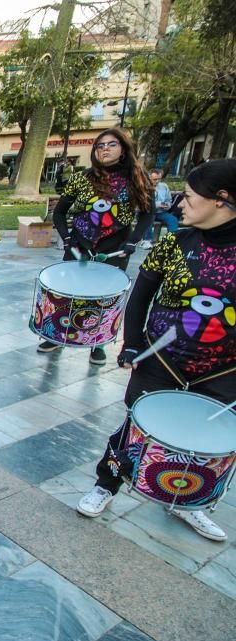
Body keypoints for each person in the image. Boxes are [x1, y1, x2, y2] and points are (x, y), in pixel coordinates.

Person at [76, 159, 236, 542]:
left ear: (221, 200)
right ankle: (106, 483)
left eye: (191, 196)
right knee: (136, 427)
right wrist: (132, 344)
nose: (182, 204)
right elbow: (141, 295)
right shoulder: (176, 242)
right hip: (161, 359)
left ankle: (188, 501)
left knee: (202, 441)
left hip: (221, 371)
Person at [39, 128, 154, 363]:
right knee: (66, 292)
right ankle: (57, 336)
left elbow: (147, 213)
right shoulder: (83, 178)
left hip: (114, 246)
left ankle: (98, 342)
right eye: (100, 146)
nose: (105, 150)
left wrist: (132, 242)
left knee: (105, 296)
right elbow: (60, 212)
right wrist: (68, 238)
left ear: (123, 149)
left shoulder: (134, 178)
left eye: (111, 145)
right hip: (81, 243)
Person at [141, 168, 179, 247]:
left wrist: (168, 205)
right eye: (155, 179)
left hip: (160, 212)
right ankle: (146, 241)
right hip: (147, 212)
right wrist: (158, 204)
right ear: (149, 178)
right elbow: (142, 203)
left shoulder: (164, 186)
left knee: (172, 219)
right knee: (148, 218)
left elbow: (169, 199)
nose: (157, 181)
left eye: (159, 179)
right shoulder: (143, 186)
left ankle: (171, 240)